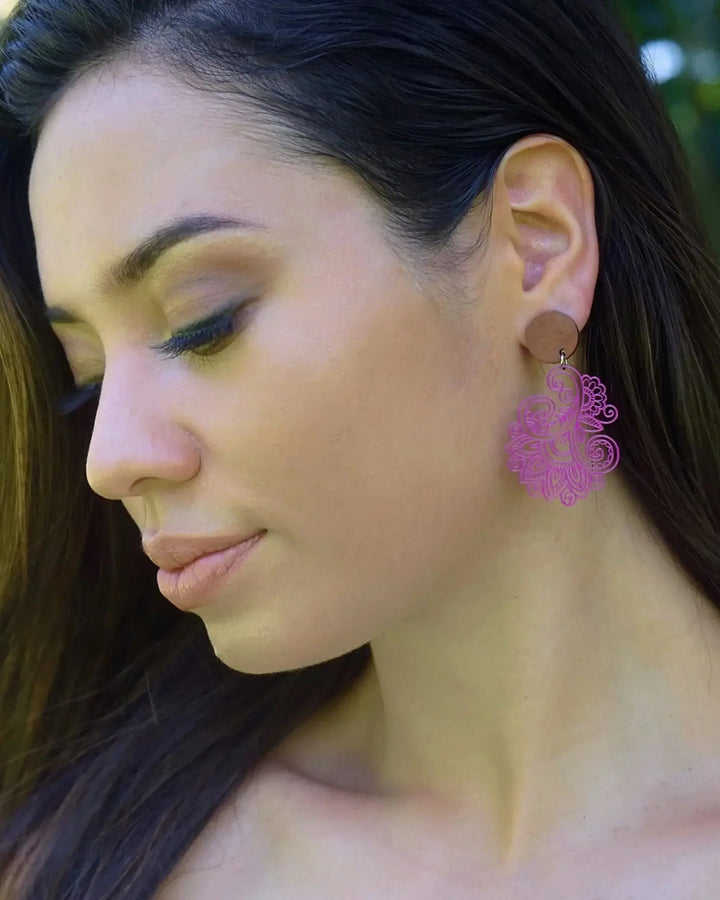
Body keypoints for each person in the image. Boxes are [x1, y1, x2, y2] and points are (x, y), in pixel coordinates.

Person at [0, 0, 719, 896]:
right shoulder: (87, 865)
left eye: (202, 323)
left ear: (537, 243)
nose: (109, 459)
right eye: (89, 374)